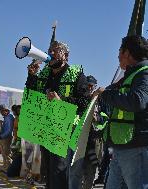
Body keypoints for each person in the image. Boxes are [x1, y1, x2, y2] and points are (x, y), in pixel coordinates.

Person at [26, 40, 89, 189]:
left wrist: (63, 100)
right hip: (46, 130)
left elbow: (84, 102)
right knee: (48, 171)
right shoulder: (43, 74)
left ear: (65, 55)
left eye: (55, 50)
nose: (51, 53)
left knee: (60, 171)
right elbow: (31, 96)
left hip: (65, 131)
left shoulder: (76, 75)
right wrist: (32, 76)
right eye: (50, 50)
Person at [94, 35, 148, 189]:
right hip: (122, 146)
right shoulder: (131, 74)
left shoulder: (144, 73)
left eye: (120, 51)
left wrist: (106, 94)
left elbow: (138, 101)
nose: (118, 55)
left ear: (128, 53)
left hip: (135, 147)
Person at [0, 104, 14, 170]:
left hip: (6, 138)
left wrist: (1, 136)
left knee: (6, 153)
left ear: (6, 111)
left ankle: (8, 167)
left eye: (2, 111)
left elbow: (9, 130)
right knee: (4, 154)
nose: (1, 113)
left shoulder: (9, 118)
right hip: (4, 138)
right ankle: (5, 166)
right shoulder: (7, 118)